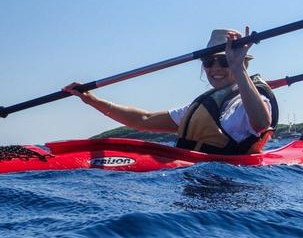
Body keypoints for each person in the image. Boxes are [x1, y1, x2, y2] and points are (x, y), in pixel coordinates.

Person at [64, 27, 278, 155]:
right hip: (197, 176)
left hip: (232, 186)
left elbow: (261, 124)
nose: (215, 68)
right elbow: (143, 120)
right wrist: (92, 100)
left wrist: (237, 67)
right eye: (208, 61)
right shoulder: (206, 106)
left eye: (223, 61)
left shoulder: (252, 100)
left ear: (244, 64)